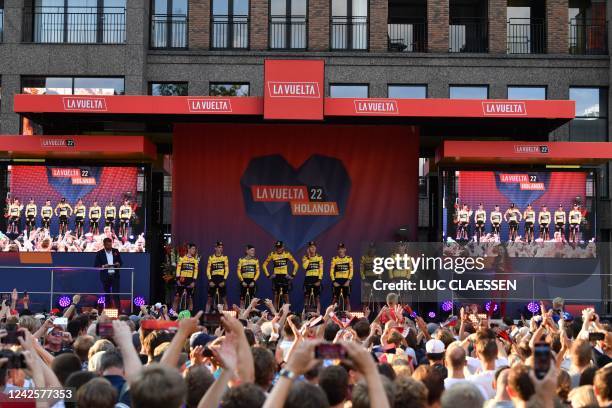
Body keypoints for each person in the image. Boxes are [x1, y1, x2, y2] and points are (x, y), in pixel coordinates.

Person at [263, 241, 298, 309]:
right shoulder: (272, 254)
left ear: (283, 247)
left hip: (285, 277)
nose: (278, 249)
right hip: (276, 277)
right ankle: (275, 315)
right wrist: (268, 275)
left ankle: (287, 313)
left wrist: (292, 276)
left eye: (280, 247)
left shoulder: (287, 254)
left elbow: (296, 264)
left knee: (286, 296)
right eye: (277, 247)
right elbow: (264, 265)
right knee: (276, 296)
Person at [95, 237, 123, 310]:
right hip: (105, 276)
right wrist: (104, 266)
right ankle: (107, 310)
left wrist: (118, 264)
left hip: (115, 276)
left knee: (116, 293)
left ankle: (118, 310)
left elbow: (121, 262)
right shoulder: (100, 253)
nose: (110, 247)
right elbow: (96, 265)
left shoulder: (116, 251)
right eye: (108, 245)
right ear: (104, 245)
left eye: (110, 245)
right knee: (107, 294)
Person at [174, 243, 199, 312]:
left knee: (190, 299)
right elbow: (178, 269)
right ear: (189, 249)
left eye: (195, 249)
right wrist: (178, 280)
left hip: (190, 281)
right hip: (182, 280)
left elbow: (196, 272)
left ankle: (189, 315)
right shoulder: (181, 259)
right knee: (176, 298)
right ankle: (172, 315)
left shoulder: (195, 261)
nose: (194, 250)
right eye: (193, 249)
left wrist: (194, 282)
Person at [206, 241, 229, 312]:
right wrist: (210, 281)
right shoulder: (211, 258)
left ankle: (226, 318)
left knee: (224, 300)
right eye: (219, 247)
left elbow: (227, 270)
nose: (221, 249)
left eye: (222, 247)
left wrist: (224, 281)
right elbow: (208, 270)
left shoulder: (225, 258)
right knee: (209, 300)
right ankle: (206, 316)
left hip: (221, 280)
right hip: (213, 280)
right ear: (215, 248)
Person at [330, 243, 353, 312]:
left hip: (346, 280)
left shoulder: (349, 259)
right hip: (337, 280)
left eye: (342, 248)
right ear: (337, 250)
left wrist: (348, 280)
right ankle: (330, 316)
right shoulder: (334, 259)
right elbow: (331, 271)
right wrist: (334, 281)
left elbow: (351, 271)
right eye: (339, 249)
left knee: (347, 299)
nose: (341, 250)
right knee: (334, 299)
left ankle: (349, 317)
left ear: (345, 249)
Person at [302, 241, 323, 315]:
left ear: (316, 248)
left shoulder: (319, 257)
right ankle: (306, 314)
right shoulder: (305, 257)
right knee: (306, 298)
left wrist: (319, 280)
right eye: (311, 247)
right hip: (308, 278)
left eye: (314, 246)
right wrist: (309, 257)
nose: (313, 248)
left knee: (317, 298)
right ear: (308, 249)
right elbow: (305, 267)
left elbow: (321, 270)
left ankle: (318, 314)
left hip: (316, 278)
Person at [237, 244, 260, 308]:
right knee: (242, 299)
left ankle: (253, 314)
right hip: (243, 280)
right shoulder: (241, 260)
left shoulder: (256, 260)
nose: (253, 252)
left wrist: (253, 281)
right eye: (252, 250)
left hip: (252, 280)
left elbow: (258, 272)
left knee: (253, 299)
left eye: (254, 250)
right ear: (247, 251)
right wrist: (242, 281)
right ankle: (241, 314)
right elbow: (238, 271)